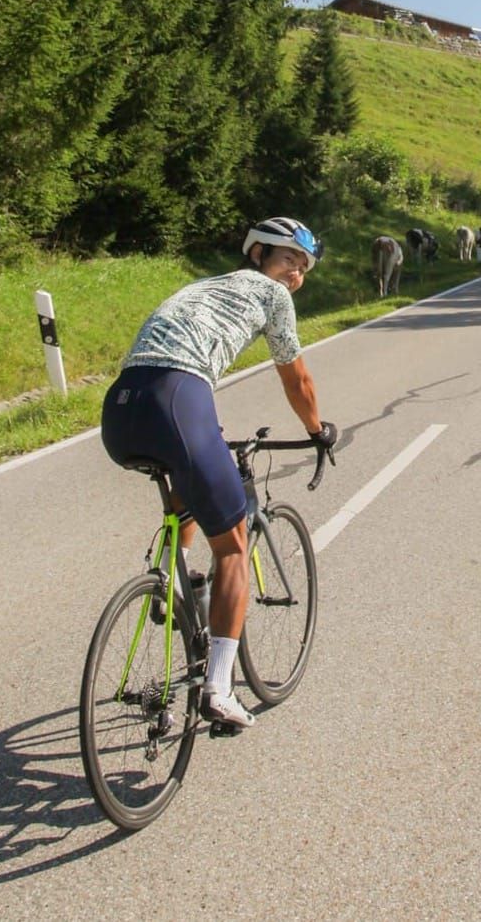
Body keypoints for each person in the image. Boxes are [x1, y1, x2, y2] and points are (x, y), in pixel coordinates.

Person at [100, 217, 337, 729]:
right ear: (259, 255)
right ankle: (220, 689)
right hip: (178, 398)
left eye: (303, 269)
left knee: (189, 481)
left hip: (121, 410)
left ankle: (174, 576)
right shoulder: (272, 296)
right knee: (232, 547)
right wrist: (317, 430)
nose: (295, 275)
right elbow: (296, 379)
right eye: (289, 260)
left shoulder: (203, 287)